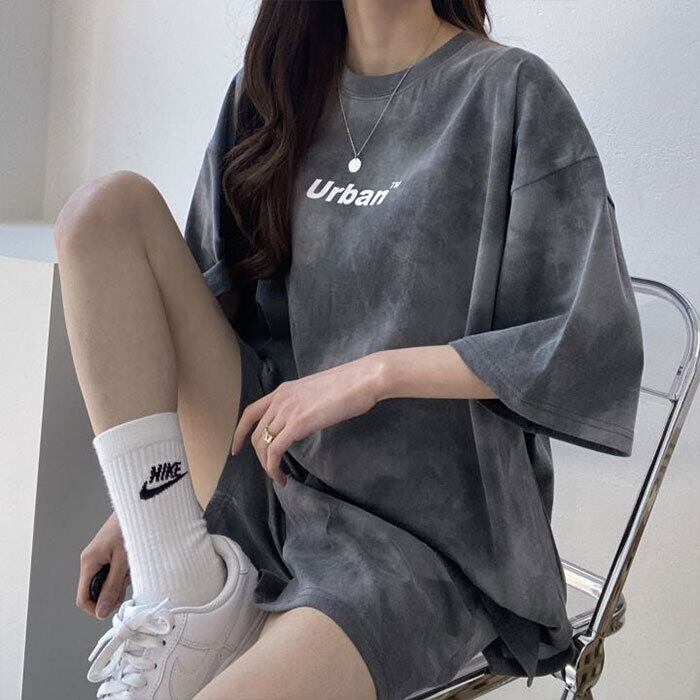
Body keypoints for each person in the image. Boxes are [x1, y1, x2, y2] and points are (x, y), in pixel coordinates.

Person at [58, 1, 645, 698]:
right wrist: (145, 507)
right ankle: (180, 583)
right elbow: (208, 313)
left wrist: (375, 373)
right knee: (104, 210)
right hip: (268, 476)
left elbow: (590, 344)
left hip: (415, 538)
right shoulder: (271, 91)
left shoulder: (507, 92)